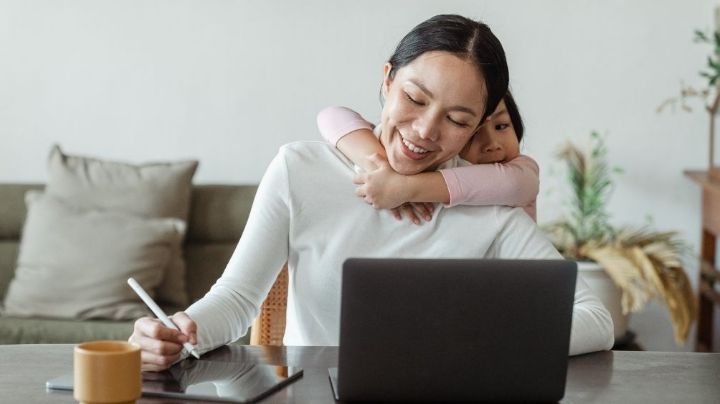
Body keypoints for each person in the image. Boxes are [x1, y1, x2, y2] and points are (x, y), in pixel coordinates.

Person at [130, 14, 614, 371]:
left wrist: (485, 340)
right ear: (386, 81)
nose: (425, 130)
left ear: (478, 127)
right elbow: (236, 300)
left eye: (457, 119)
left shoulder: (489, 206)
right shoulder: (300, 169)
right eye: (415, 99)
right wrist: (177, 332)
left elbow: (595, 319)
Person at [316, 91, 538, 224]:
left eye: (502, 126)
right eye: (473, 134)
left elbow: (513, 184)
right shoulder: (441, 165)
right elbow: (332, 115)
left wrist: (405, 187)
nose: (492, 145)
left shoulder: (522, 171)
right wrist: (381, 168)